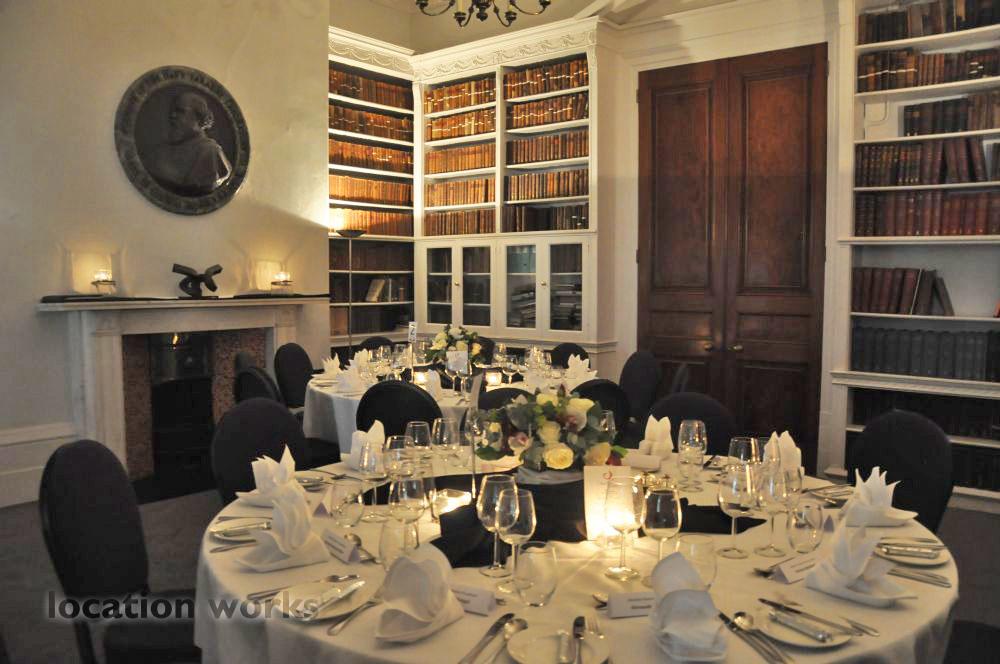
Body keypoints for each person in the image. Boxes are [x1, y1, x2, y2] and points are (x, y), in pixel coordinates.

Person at [147, 91, 232, 195]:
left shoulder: (210, 151)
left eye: (180, 111)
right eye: (173, 111)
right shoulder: (162, 150)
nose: (173, 115)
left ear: (199, 117)